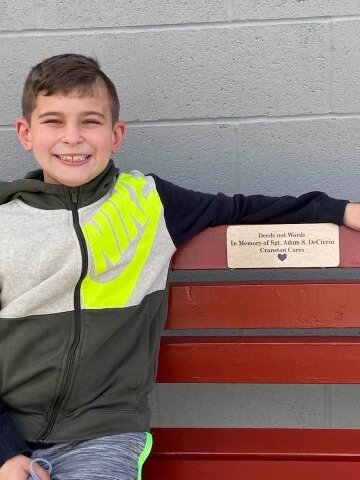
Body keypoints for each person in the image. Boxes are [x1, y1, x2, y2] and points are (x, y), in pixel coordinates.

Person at [1, 53, 360, 480]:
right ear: (26, 133)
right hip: (9, 431)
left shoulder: (151, 204)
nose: (73, 137)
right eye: (54, 121)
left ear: (116, 135)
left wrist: (336, 209)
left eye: (91, 121)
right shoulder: (6, 220)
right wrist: (6, 452)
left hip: (103, 434)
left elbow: (241, 209)